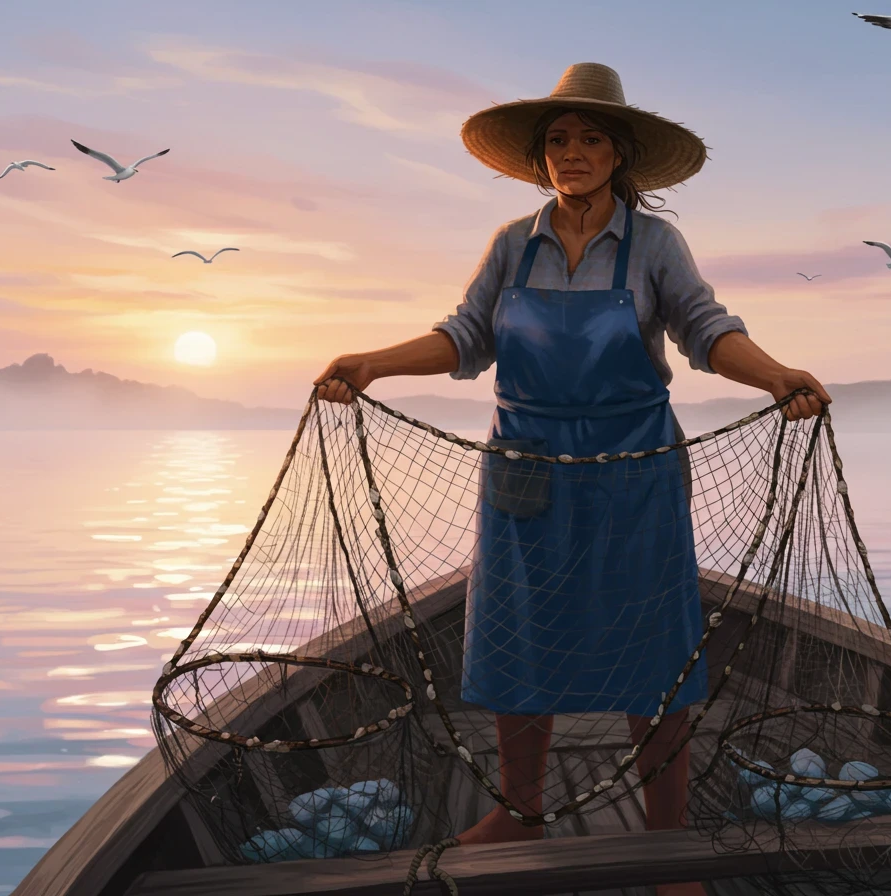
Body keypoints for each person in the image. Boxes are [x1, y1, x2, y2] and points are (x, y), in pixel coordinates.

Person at [315, 62, 831, 896]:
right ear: (539, 155)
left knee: (653, 641)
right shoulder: (512, 243)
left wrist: (775, 375)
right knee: (519, 629)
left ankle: (668, 839)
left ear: (620, 153)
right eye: (558, 139)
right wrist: (373, 362)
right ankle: (521, 808)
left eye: (590, 138)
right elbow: (465, 335)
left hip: (636, 465)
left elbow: (706, 328)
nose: (573, 152)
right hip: (525, 463)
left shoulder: (655, 244)